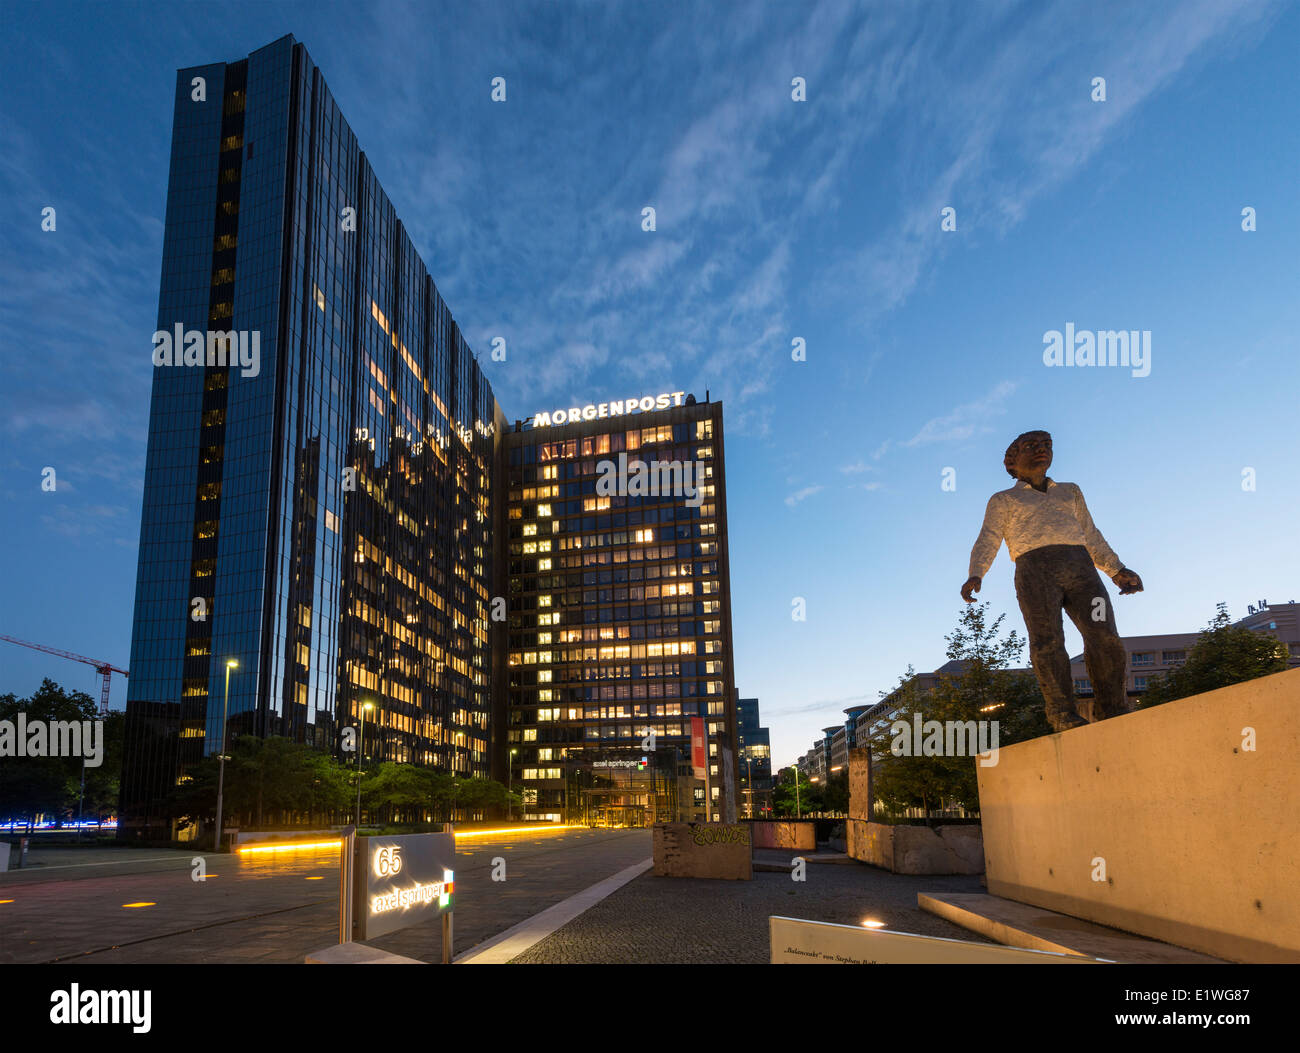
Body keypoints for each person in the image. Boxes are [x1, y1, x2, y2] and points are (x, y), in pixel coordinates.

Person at [961, 430, 1143, 732]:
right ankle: (1062, 714)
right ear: (1012, 462)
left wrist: (1116, 570)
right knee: (1048, 643)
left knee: (1105, 635)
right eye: (1031, 446)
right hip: (1035, 572)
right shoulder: (1003, 500)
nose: (1041, 450)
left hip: (1082, 570)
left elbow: (1090, 534)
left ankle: (1113, 708)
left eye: (1047, 445)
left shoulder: (1070, 491)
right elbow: (988, 538)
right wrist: (976, 573)